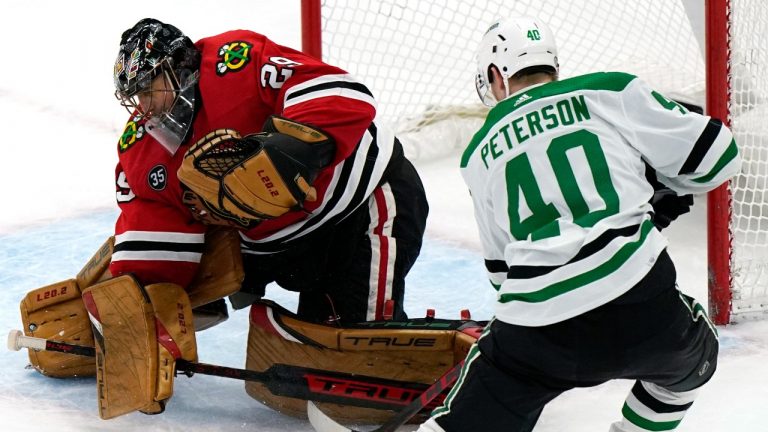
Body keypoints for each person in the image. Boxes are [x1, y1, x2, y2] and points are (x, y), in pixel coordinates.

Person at [71, 18, 429, 418]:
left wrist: (290, 151)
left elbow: (345, 93)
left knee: (353, 359)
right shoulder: (141, 147)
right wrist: (133, 306)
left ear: (178, 67)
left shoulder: (235, 62)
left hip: (361, 207)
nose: (143, 108)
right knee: (318, 362)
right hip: (273, 247)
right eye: (133, 97)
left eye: (148, 90)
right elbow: (156, 224)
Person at [417, 16, 740, 432]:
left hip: (536, 328)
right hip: (642, 306)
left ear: (496, 76)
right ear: (552, 65)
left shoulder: (477, 152)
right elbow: (720, 156)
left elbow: (500, 274)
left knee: (467, 420)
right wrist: (657, 186)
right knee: (693, 363)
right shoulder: (609, 91)